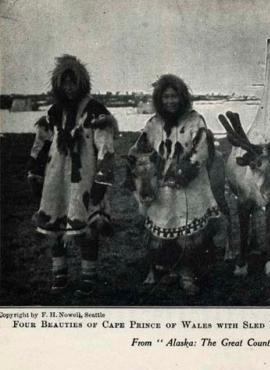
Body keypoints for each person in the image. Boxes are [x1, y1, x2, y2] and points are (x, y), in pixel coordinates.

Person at [27, 55, 118, 295]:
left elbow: (106, 148)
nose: (69, 88)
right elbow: (42, 142)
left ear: (82, 84)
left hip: (84, 181)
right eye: (64, 83)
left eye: (73, 83)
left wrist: (101, 180)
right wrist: (34, 172)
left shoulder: (95, 111)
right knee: (55, 223)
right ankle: (60, 274)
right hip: (56, 179)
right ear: (57, 85)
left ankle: (88, 276)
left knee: (87, 226)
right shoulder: (55, 112)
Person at [128, 74, 220, 295]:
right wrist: (138, 166)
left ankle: (187, 273)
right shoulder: (153, 123)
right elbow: (139, 149)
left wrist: (184, 172)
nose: (170, 101)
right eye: (166, 96)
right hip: (162, 187)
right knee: (164, 229)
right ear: (160, 99)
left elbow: (202, 150)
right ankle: (167, 269)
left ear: (182, 97)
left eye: (174, 96)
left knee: (188, 233)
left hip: (190, 184)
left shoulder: (195, 120)